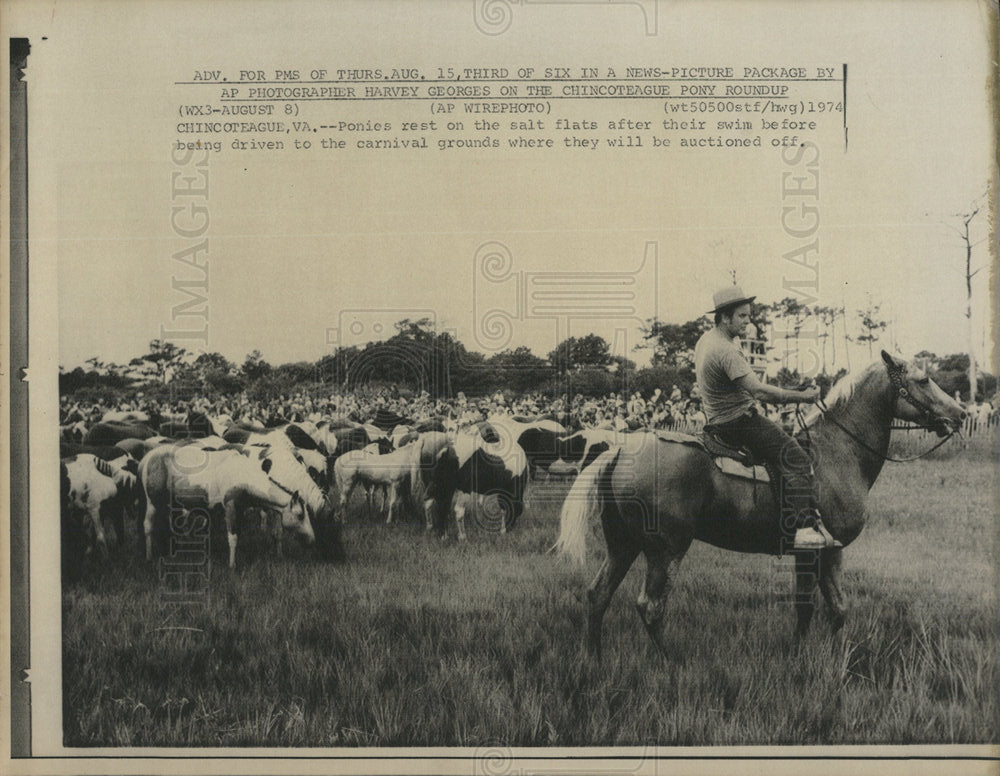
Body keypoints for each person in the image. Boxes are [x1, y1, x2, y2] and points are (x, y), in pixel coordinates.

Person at [694, 285, 840, 550]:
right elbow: (758, 390)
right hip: (739, 422)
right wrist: (802, 397)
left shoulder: (707, 340)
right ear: (725, 317)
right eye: (742, 316)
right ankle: (804, 529)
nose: (749, 321)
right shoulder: (725, 350)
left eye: (749, 315)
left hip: (717, 420)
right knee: (795, 458)